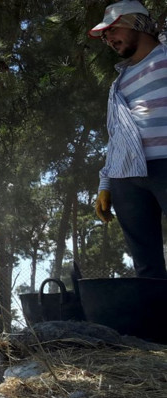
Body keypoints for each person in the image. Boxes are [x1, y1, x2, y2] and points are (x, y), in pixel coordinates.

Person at [90, 1, 167, 278]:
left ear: (136, 22)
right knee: (147, 270)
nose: (108, 38)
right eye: (104, 35)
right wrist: (106, 183)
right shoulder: (118, 84)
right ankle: (158, 321)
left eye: (112, 29)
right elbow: (116, 136)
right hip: (127, 178)